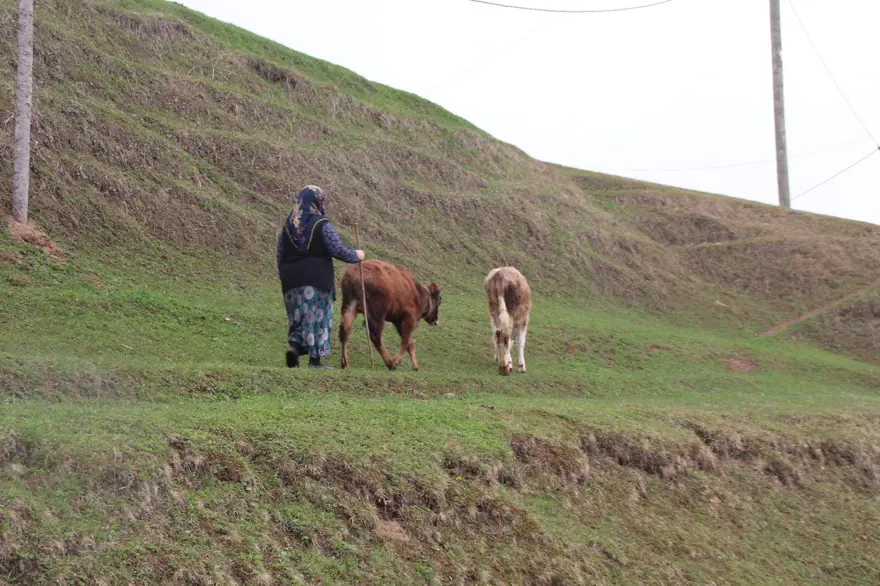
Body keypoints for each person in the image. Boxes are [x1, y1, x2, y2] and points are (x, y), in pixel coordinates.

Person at [276, 185, 364, 370]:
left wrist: (285, 274)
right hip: (316, 279)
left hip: (291, 280)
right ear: (318, 201)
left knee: (298, 316)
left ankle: (295, 347)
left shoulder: (288, 226)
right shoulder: (321, 223)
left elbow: (280, 253)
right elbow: (337, 249)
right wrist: (356, 255)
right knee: (318, 317)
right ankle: (315, 361)